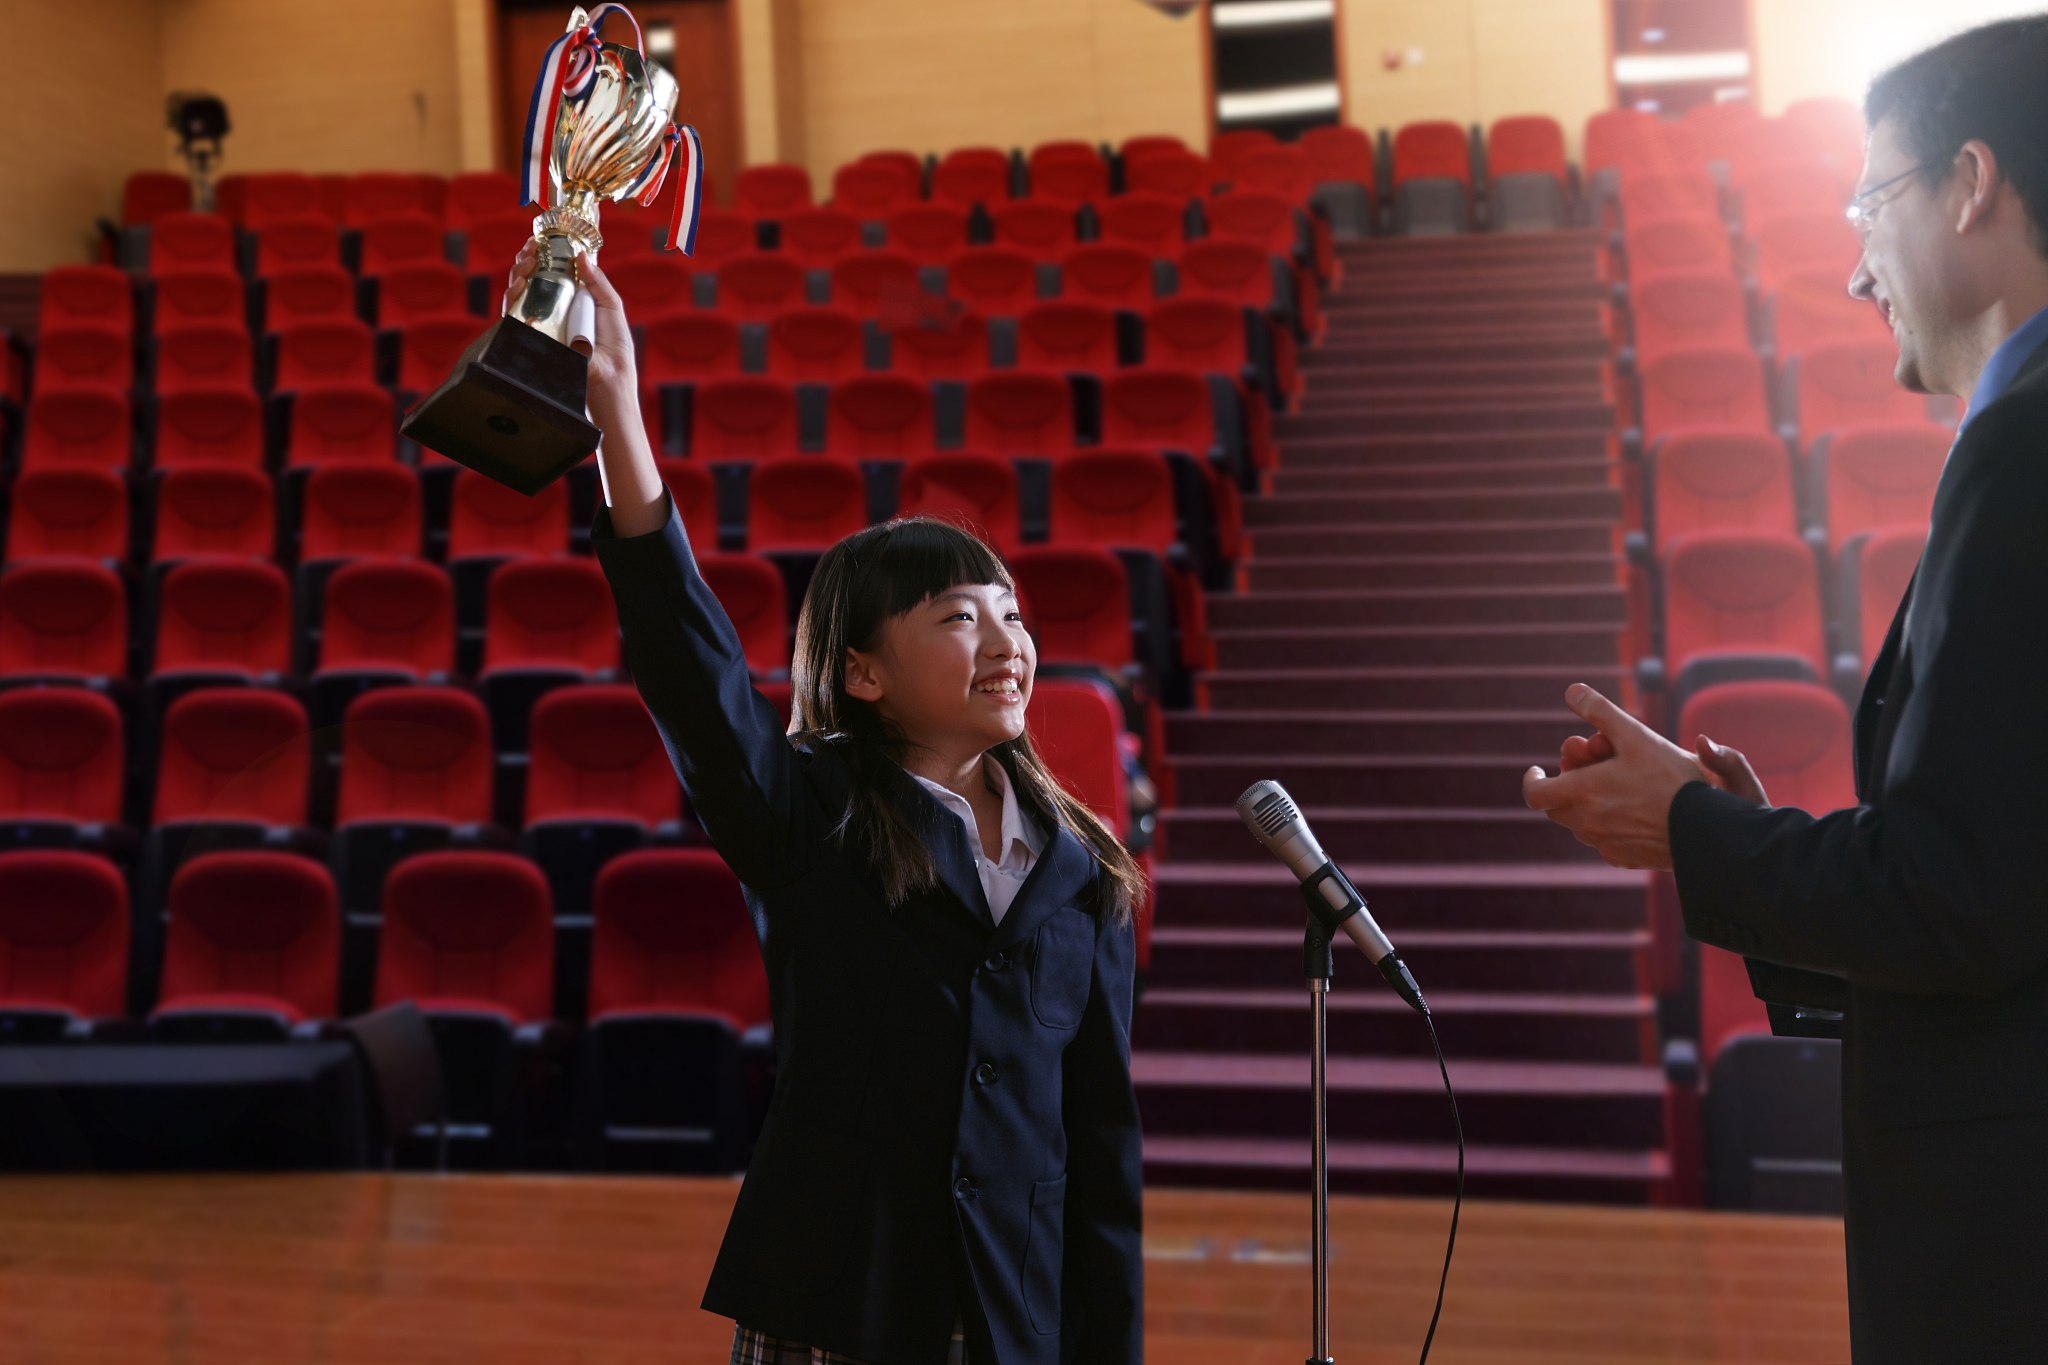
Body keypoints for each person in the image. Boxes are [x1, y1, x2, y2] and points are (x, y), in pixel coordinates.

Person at [499, 235, 1145, 1365]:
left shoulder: (1080, 871)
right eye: (956, 617)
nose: (1005, 643)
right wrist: (619, 424)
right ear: (861, 673)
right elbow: (693, 677)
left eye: (1012, 614)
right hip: (840, 1312)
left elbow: (1099, 1145)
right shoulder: (808, 818)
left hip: (1014, 1323)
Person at [1522, 17, 2048, 1361]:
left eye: (1872, 200)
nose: (1860, 269)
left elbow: (1964, 897)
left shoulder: (2022, 448)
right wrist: (1746, 843)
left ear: (1972, 183)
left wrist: (1692, 834)